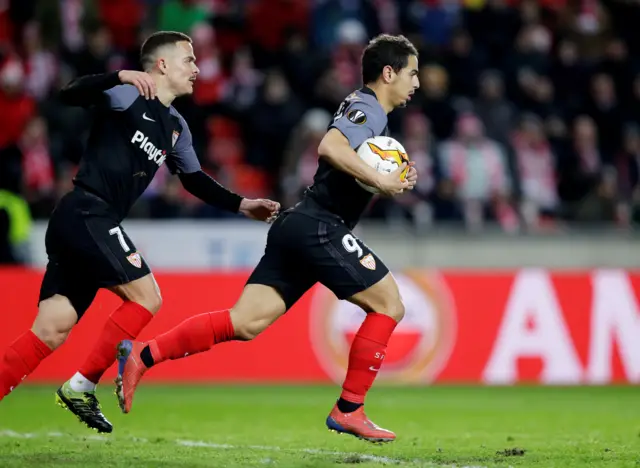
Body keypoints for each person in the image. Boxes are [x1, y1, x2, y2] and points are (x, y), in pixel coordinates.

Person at [117, 34, 419, 443]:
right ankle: (350, 409)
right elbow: (330, 147)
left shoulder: (368, 112)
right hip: (319, 225)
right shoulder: (367, 106)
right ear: (389, 73)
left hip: (298, 225)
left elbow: (352, 161)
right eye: (412, 73)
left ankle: (143, 354)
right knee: (389, 304)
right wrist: (379, 178)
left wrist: (391, 177)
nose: (416, 83)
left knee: (244, 322)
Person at [0, 31, 280, 434]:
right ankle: (81, 385)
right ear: (161, 64)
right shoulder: (128, 94)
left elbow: (195, 180)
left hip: (82, 221)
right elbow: (67, 94)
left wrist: (243, 205)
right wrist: (119, 76)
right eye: (189, 60)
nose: (197, 68)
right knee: (147, 297)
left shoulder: (177, 128)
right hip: (87, 211)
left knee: (52, 327)